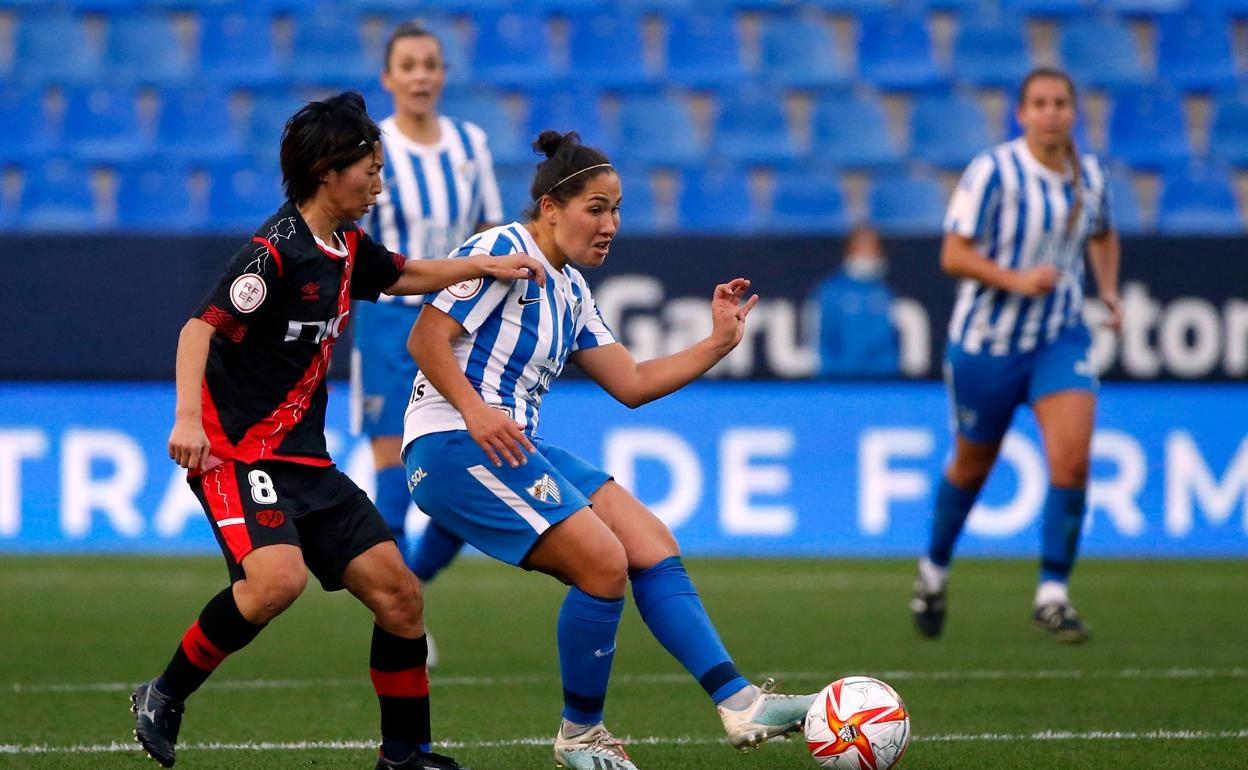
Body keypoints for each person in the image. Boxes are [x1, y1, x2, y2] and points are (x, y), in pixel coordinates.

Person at [134, 91, 542, 770]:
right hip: (237, 454)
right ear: (329, 170)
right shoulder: (275, 253)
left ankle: (404, 756)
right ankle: (164, 693)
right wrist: (185, 419)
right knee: (275, 583)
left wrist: (484, 266)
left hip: (305, 463)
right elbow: (198, 327)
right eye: (370, 171)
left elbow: (405, 272)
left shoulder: (347, 246)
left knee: (401, 596)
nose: (379, 183)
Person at [400, 131, 816, 770]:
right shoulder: (501, 248)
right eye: (596, 208)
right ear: (550, 207)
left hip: (513, 444)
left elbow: (632, 383)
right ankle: (580, 736)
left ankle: (740, 703)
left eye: (617, 210)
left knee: (651, 542)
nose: (610, 225)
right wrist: (476, 409)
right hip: (452, 442)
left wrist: (717, 342)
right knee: (602, 562)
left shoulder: (571, 291)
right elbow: (427, 338)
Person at [910, 67, 1122, 644]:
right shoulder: (995, 171)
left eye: (1061, 102)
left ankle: (1053, 594)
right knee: (973, 466)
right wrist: (1014, 279)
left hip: (1060, 337)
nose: (1052, 112)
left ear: (1074, 111)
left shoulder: (1092, 176)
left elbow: (1102, 233)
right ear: (1021, 113)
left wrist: (1107, 292)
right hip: (987, 344)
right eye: (1040, 102)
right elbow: (953, 254)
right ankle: (933, 572)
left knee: (1073, 461)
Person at [352, 21, 502, 587]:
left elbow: (490, 231)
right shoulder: (373, 150)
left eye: (430, 64)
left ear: (443, 74)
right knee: (392, 470)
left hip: (458, 324)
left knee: (473, 472)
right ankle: (398, 616)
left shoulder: (471, 144)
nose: (421, 76)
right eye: (409, 65)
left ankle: (407, 592)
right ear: (389, 77)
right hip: (389, 324)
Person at [810, 225, 900, 378]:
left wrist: (888, 375)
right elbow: (823, 342)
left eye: (873, 248)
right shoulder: (831, 292)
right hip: (840, 382)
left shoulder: (885, 293)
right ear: (850, 250)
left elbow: (892, 343)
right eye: (863, 247)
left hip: (880, 383)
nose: (868, 254)